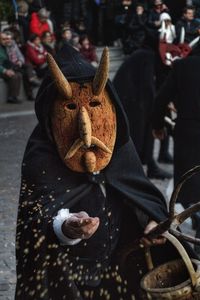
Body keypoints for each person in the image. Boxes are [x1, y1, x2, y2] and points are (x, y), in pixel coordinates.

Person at [15, 44, 184, 300]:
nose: (85, 127)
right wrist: (67, 226)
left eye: (95, 105)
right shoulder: (42, 155)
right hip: (69, 278)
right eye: (71, 109)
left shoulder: (119, 144)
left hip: (118, 268)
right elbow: (36, 220)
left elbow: (137, 191)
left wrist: (150, 221)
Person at [152, 42, 200, 254]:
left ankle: (196, 219)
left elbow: (160, 98)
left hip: (188, 132)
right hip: (188, 132)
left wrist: (157, 125)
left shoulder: (182, 67)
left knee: (190, 182)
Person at [113, 48, 172, 179]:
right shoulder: (148, 57)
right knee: (140, 129)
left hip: (131, 95)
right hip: (128, 97)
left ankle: (147, 164)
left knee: (146, 124)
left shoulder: (149, 57)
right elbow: (148, 87)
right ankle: (139, 167)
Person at [0, 32, 22, 104]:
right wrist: (5, 71)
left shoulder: (6, 46)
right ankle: (11, 97)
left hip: (7, 67)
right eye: (3, 39)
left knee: (18, 75)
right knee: (14, 76)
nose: (6, 40)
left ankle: (14, 96)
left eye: (6, 38)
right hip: (2, 70)